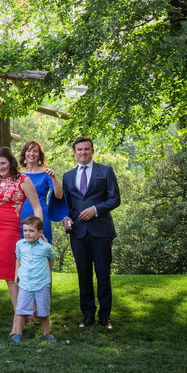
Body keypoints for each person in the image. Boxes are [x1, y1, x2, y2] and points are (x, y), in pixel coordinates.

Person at [0, 144, 44, 334]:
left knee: (12, 277)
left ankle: (17, 319)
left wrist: (39, 228)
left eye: (3, 163)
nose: (0, 167)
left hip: (9, 231)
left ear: (11, 161)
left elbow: (37, 207)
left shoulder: (23, 180)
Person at [62, 137, 121, 329]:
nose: (83, 153)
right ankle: (87, 315)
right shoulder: (68, 176)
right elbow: (67, 205)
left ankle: (105, 317)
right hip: (78, 233)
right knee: (83, 275)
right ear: (74, 152)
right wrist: (66, 219)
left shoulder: (105, 171)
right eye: (79, 149)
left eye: (86, 149)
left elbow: (115, 199)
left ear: (92, 151)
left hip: (101, 232)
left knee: (103, 274)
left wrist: (95, 209)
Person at [11, 216, 57, 343]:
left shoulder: (46, 247)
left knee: (43, 309)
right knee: (21, 309)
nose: (27, 233)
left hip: (42, 282)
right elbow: (18, 258)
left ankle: (46, 333)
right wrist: (16, 274)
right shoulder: (20, 244)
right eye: (25, 230)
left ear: (40, 233)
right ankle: (18, 333)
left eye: (31, 231)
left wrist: (47, 270)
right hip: (25, 282)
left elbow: (52, 258)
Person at [19, 140, 67, 243]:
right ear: (24, 154)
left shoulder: (46, 174)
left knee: (41, 250)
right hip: (20, 216)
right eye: (29, 151)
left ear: (40, 155)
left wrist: (54, 178)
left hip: (41, 216)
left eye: (35, 151)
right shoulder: (18, 175)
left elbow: (59, 196)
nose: (32, 154)